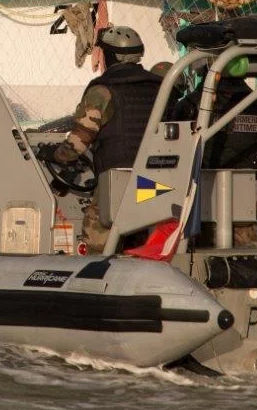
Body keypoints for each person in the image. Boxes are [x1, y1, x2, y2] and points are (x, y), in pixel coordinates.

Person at [48, 25, 175, 253]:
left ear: (110, 56)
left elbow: (78, 142)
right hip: (157, 179)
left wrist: (56, 155)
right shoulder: (160, 87)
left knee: (96, 238)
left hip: (119, 182)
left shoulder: (104, 90)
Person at [173, 61, 257, 246]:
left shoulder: (190, 106)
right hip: (246, 209)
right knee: (245, 265)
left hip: (197, 207)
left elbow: (174, 150)